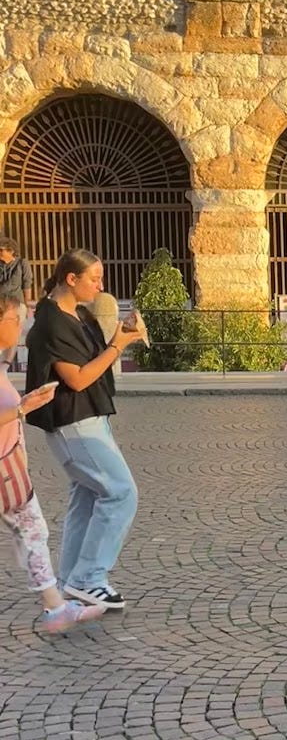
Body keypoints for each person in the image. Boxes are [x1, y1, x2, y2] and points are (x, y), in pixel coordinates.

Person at [23, 250, 142, 612]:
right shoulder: (51, 322)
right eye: (94, 278)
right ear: (71, 279)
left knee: (88, 496)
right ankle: (89, 579)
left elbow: (92, 363)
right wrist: (118, 345)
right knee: (121, 493)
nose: (100, 286)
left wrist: (121, 335)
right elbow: (76, 378)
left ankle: (72, 579)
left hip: (89, 417)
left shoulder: (77, 313)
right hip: (73, 421)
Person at [0, 296, 106, 633]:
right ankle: (54, 607)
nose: (21, 327)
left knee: (33, 531)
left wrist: (24, 401)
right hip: (4, 471)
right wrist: (23, 408)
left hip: (9, 467)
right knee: (32, 531)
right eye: (16, 320)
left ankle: (54, 605)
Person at [0, 238, 34, 366]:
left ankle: (7, 363)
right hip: (1, 304)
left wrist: (28, 305)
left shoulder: (22, 263)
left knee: (14, 334)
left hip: (17, 303)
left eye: (1, 250)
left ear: (11, 251)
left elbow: (27, 284)